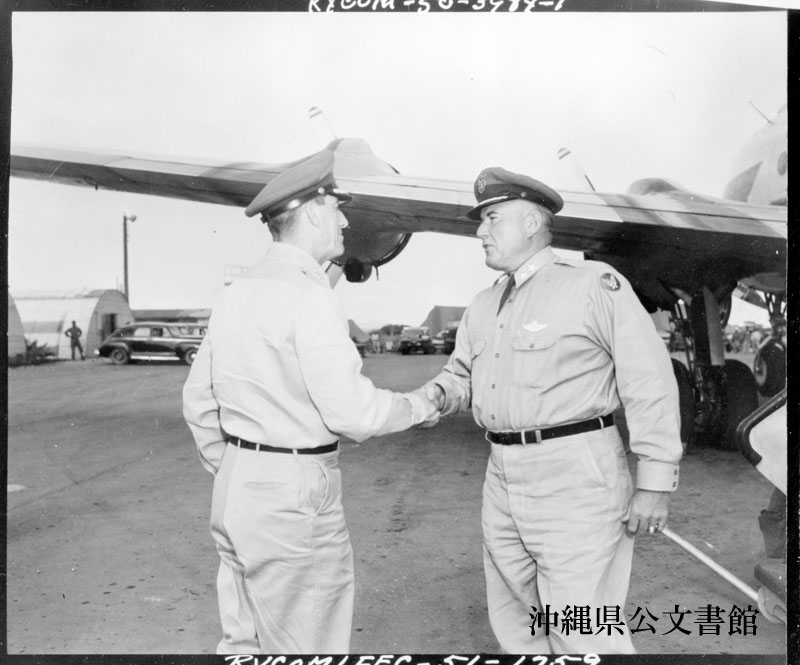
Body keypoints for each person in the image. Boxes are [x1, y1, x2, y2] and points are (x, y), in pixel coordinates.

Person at [182, 150, 438, 655]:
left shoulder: (236, 292)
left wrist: (239, 467)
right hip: (293, 496)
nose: (344, 221)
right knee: (309, 643)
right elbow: (353, 413)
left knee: (244, 641)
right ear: (314, 214)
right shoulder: (311, 297)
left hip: (237, 490)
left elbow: (198, 401)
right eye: (336, 209)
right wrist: (420, 407)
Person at [423, 167, 683, 654]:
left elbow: (649, 381)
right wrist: (431, 397)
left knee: (582, 626)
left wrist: (655, 482)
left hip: (577, 473)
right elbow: (461, 377)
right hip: (501, 473)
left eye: (492, 218)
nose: (480, 232)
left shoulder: (593, 285)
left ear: (530, 223)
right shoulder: (483, 304)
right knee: (517, 620)